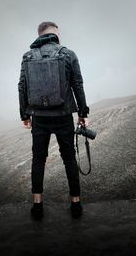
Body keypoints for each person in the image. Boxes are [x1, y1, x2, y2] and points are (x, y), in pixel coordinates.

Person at [18, 21, 89, 219]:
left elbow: (22, 86)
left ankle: (37, 206)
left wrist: (24, 115)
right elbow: (78, 84)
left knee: (38, 160)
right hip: (63, 115)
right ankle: (76, 204)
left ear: (39, 35)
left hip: (39, 117)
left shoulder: (28, 56)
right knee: (69, 159)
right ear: (55, 33)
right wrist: (83, 113)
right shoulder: (68, 54)